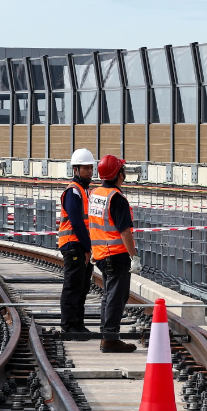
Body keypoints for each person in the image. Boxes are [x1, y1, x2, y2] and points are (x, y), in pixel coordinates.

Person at [88, 155, 141, 353]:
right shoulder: (116, 198)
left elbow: (94, 224)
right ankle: (110, 338)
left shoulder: (96, 193)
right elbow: (125, 231)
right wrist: (133, 256)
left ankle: (107, 335)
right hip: (116, 255)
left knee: (108, 296)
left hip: (102, 253)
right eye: (123, 170)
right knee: (116, 297)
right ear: (119, 174)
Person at [58, 148, 95, 334]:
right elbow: (77, 222)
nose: (90, 171)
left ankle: (78, 324)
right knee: (73, 286)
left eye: (91, 167)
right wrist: (88, 247)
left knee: (82, 287)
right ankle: (68, 326)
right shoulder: (73, 192)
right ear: (76, 169)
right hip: (74, 244)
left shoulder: (84, 191)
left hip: (81, 244)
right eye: (86, 168)